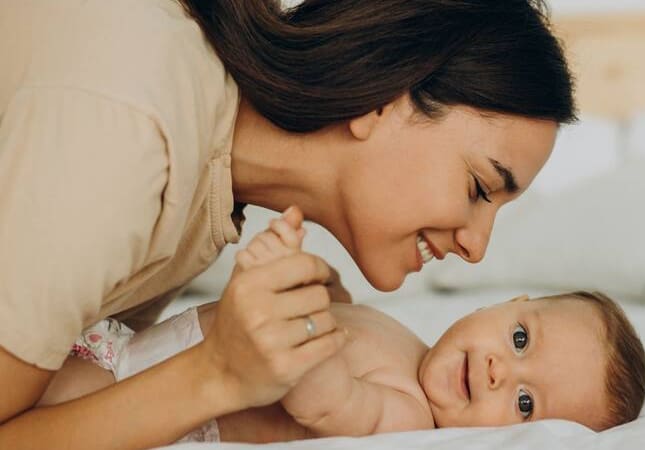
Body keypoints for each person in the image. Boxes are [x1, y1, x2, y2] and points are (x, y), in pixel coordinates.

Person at [0, 0, 576, 447]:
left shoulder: (211, 195)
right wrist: (218, 372)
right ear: (382, 99)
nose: (478, 248)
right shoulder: (133, 134)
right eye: (479, 188)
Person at [39, 214, 645, 444]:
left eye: (524, 402)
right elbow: (349, 327)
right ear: (510, 304)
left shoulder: (409, 415)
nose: (499, 370)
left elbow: (326, 400)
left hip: (150, 409)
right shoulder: (408, 343)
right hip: (128, 353)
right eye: (520, 340)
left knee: (35, 410)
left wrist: (287, 293)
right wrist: (327, 290)